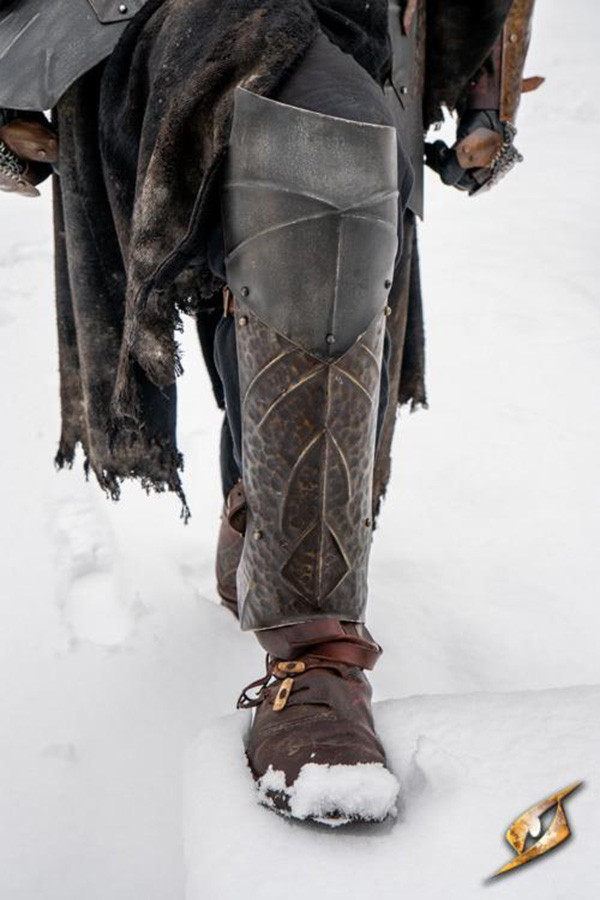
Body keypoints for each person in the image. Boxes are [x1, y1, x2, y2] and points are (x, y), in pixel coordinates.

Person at [0, 0, 541, 824]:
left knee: (290, 254)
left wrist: (485, 101)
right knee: (314, 147)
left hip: (361, 24)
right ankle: (315, 652)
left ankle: (263, 510)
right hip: (161, 18)